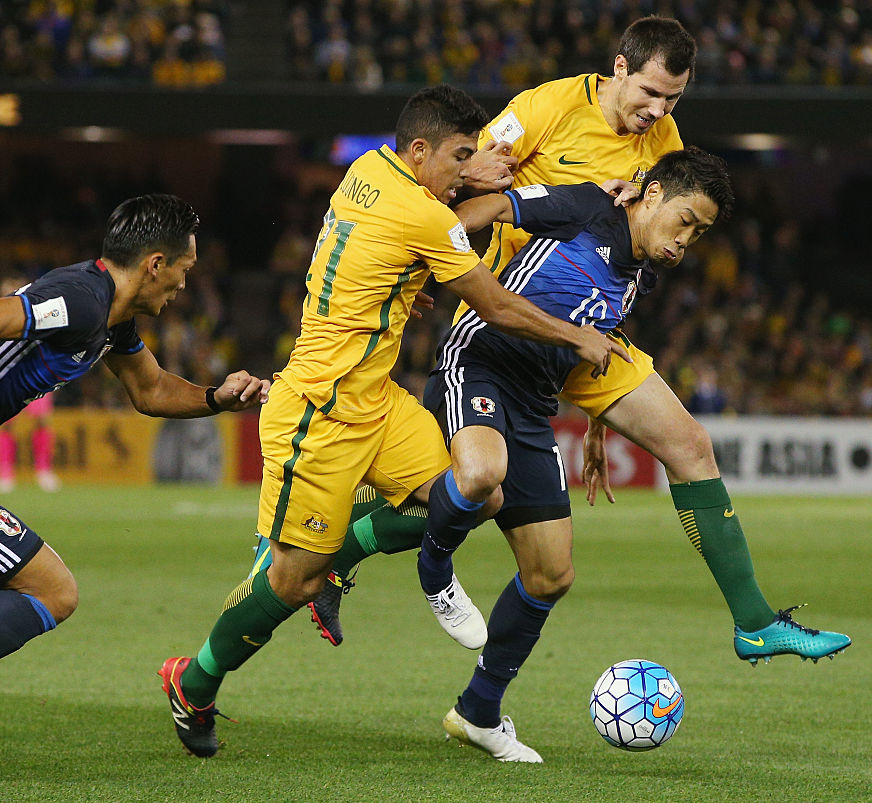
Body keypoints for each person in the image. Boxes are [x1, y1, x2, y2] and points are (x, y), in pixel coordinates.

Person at [309, 15, 838, 669]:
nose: (659, 111)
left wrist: (596, 413)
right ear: (619, 68)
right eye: (650, 92)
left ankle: (754, 622)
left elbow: (629, 262)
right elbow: (451, 179)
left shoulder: (664, 144)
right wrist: (427, 256)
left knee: (690, 445)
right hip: (511, 317)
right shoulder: (547, 108)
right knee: (465, 490)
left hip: (587, 332)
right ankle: (335, 551)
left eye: (673, 99)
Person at [158, 84, 631, 759]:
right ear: (419, 150)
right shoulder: (424, 215)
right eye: (459, 156)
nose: (464, 171)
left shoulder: (366, 170)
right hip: (318, 412)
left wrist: (405, 279)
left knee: (476, 493)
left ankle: (343, 552)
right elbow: (495, 305)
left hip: (376, 401)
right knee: (291, 582)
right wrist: (575, 336)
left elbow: (374, 244)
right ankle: (194, 681)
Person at [349, 149, 851, 763]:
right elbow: (485, 209)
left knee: (551, 575)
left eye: (699, 234)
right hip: (479, 364)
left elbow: (594, 337)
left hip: (535, 401)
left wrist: (593, 424)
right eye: (685, 221)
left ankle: (478, 711)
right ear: (653, 193)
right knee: (480, 477)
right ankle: (433, 568)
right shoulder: (586, 205)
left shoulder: (640, 273)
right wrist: (419, 267)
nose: (686, 240)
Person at [0, 194, 269, 780]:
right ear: (155, 264)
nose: (183, 285)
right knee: (53, 591)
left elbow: (150, 391)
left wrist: (217, 398)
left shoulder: (110, 319)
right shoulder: (80, 300)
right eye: (184, 268)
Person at [0, 274, 61, 493]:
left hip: (36, 374)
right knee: (5, 423)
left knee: (42, 421)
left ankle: (43, 471)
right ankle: (5, 474)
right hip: (6, 376)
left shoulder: (37, 314)